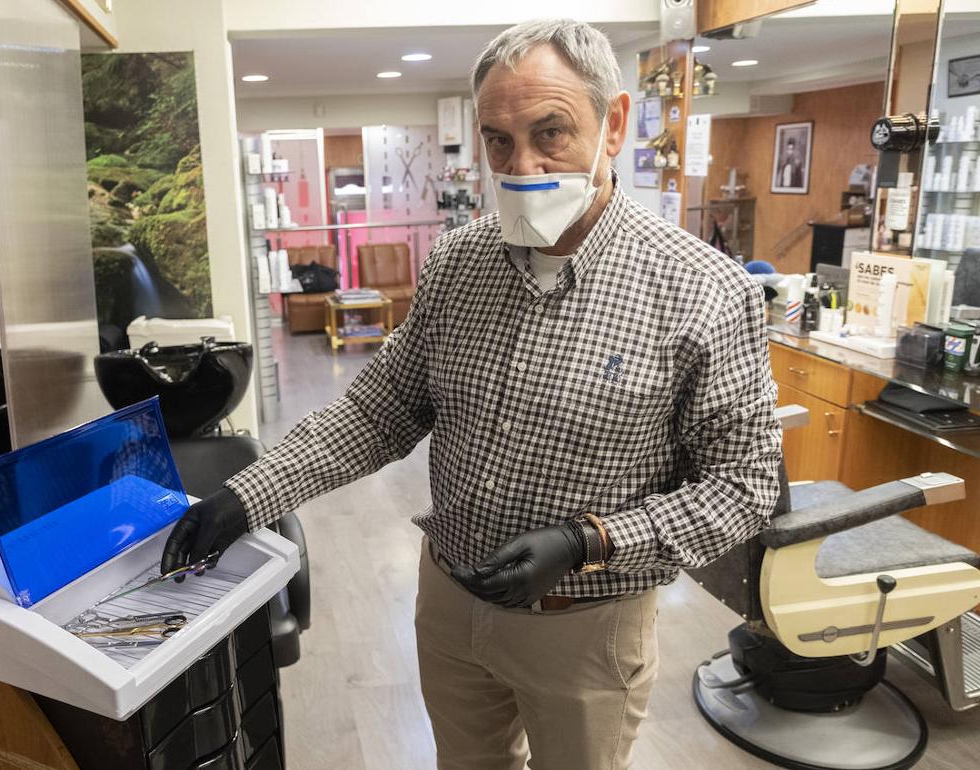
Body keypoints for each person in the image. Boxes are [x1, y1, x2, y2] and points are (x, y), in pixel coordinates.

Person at [162, 18, 781, 770]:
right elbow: (378, 411)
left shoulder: (703, 291)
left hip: (584, 624)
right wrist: (249, 494)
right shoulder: (460, 263)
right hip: (449, 600)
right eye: (497, 140)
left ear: (613, 124)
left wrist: (590, 541)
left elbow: (742, 487)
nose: (520, 165)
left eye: (551, 132)